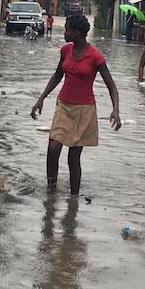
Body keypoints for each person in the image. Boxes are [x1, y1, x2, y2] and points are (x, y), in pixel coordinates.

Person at [30, 15, 121, 198]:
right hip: (64, 105)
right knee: (53, 147)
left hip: (84, 110)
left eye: (67, 30)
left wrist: (115, 110)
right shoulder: (65, 50)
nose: (64, 33)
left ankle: (73, 199)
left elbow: (111, 85)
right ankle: (51, 190)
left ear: (77, 33)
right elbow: (57, 75)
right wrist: (41, 98)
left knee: (73, 157)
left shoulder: (95, 57)